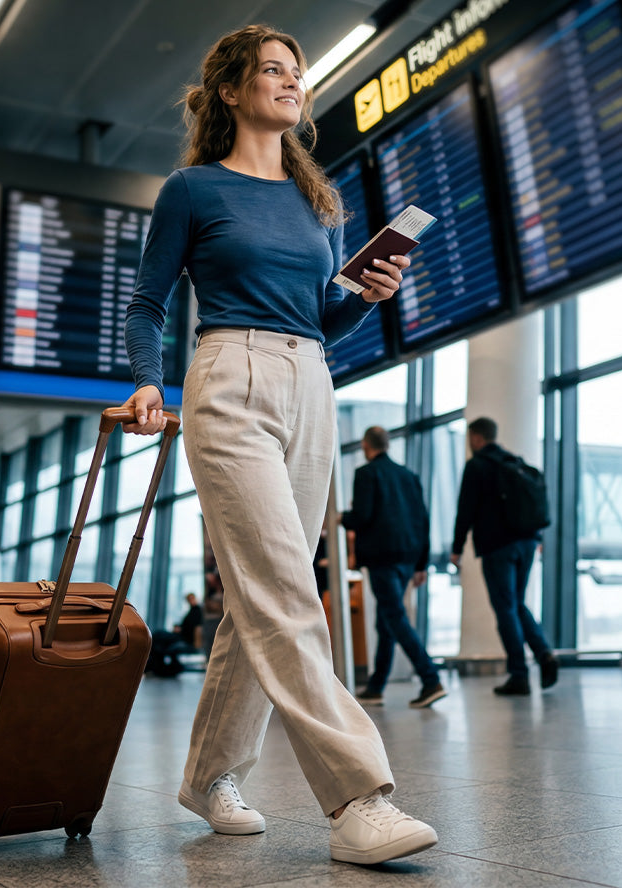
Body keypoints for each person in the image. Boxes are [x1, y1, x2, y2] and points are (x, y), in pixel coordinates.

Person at [118, 25, 434, 866]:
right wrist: (150, 379)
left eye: (298, 74)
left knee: (261, 600)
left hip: (311, 383)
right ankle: (359, 797)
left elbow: (320, 319)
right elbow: (148, 302)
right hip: (228, 381)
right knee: (290, 590)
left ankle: (208, 777)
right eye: (274, 71)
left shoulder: (316, 203)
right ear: (231, 90)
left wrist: (369, 293)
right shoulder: (192, 189)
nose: (293, 83)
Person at [340, 428, 445, 709]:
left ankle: (430, 678)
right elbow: (423, 520)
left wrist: (340, 518)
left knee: (395, 617)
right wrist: (421, 563)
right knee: (386, 620)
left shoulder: (366, 474)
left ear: (365, 445)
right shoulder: (409, 476)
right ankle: (376, 687)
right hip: (408, 557)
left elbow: (362, 517)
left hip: (382, 557)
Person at [451, 417, 557, 695]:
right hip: (526, 542)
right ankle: (544, 653)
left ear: (476, 438)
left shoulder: (477, 466)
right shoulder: (514, 462)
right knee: (518, 604)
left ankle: (519, 674)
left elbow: (466, 510)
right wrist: (537, 538)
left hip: (498, 547)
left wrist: (457, 547)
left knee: (506, 608)